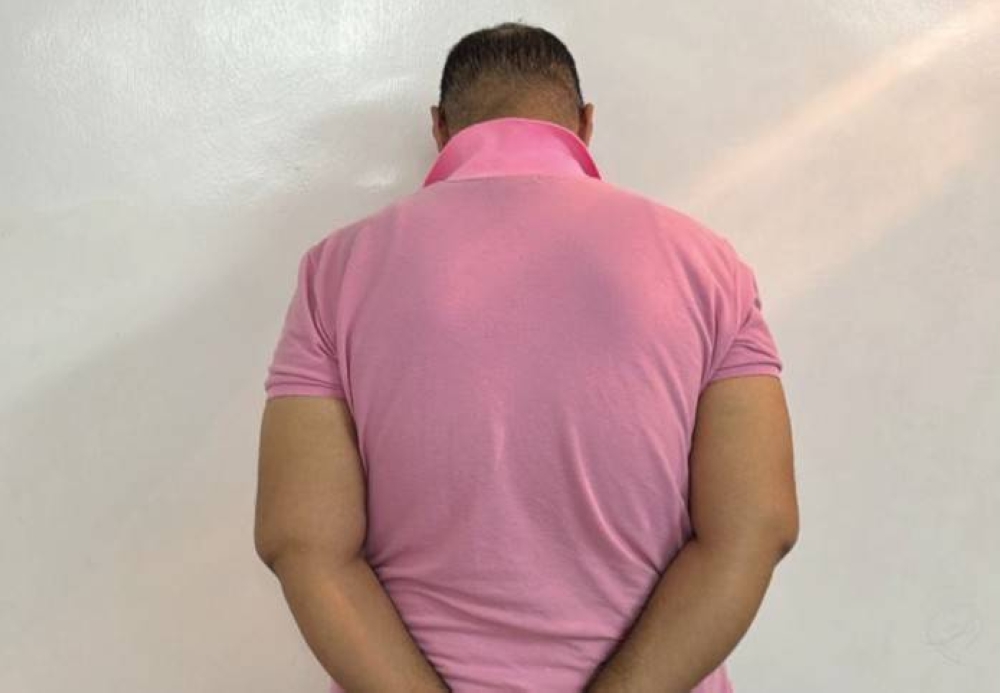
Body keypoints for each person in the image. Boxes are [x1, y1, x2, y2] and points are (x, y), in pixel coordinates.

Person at [254, 20, 798, 693]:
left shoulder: (336, 271)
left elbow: (302, 542)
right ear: (586, 124)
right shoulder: (709, 268)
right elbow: (755, 527)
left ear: (439, 127)